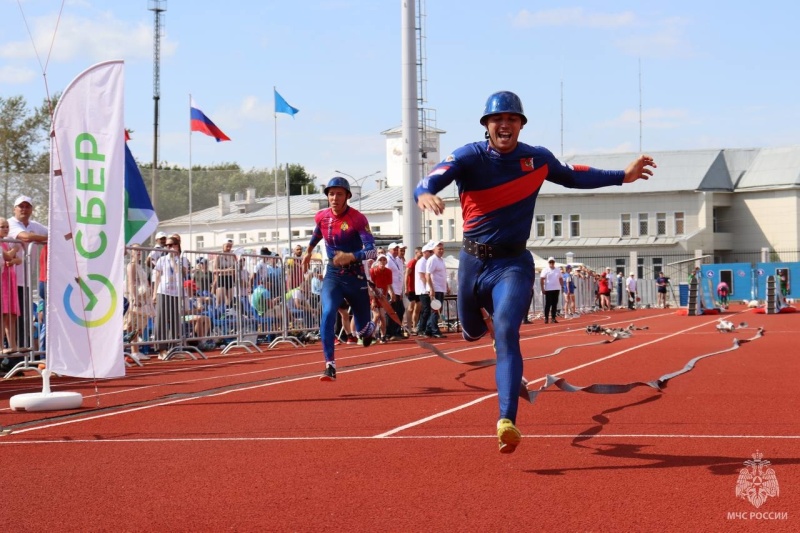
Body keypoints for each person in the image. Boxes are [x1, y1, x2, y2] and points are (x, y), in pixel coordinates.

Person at [414, 90, 655, 453]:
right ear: (487, 126)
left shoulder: (536, 159)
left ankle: (506, 420)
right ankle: (481, 323)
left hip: (512, 263)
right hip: (472, 263)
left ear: (521, 125)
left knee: (508, 333)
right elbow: (431, 179)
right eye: (497, 119)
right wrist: (424, 194)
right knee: (471, 332)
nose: (504, 125)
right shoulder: (468, 156)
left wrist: (623, 175)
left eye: (512, 119)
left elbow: (575, 176)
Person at [301, 176, 376, 381]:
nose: (334, 198)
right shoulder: (321, 216)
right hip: (333, 275)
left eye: (339, 194)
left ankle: (368, 331)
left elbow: (372, 252)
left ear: (347, 197)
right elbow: (318, 232)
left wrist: (351, 256)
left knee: (362, 327)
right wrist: (308, 251)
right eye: (331, 194)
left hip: (355, 276)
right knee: (327, 312)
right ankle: (329, 366)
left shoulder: (358, 219)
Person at [8, 195, 47, 352]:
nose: (24, 209)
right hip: (8, 282)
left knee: (23, 320)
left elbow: (55, 232)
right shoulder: (10, 224)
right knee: (10, 320)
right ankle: (7, 357)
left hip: (24, 282)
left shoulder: (34, 225)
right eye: (21, 206)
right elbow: (26, 237)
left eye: (27, 206)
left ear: (32, 209)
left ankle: (18, 358)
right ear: (14, 209)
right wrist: (46, 239)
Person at [0, 218, 24, 355]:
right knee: (3, 314)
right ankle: (1, 347)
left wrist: (13, 258)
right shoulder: (6, 244)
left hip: (10, 280)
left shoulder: (6, 242)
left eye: (7, 226)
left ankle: (13, 345)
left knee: (12, 314)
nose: (5, 229)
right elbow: (8, 257)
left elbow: (18, 260)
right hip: (2, 281)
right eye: (2, 226)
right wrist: (16, 248)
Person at [424, 240, 447, 338]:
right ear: (434, 250)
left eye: (442, 249)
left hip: (440, 288)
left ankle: (428, 329)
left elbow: (443, 274)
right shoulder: (432, 259)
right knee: (435, 310)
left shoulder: (441, 260)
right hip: (435, 288)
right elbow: (427, 275)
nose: (441, 251)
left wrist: (446, 286)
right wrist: (431, 289)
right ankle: (434, 331)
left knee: (438, 309)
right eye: (439, 249)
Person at [384, 243, 405, 340]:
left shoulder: (398, 260)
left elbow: (399, 276)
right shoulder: (387, 260)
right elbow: (387, 276)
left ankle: (397, 331)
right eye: (394, 249)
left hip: (398, 289)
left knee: (400, 310)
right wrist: (390, 291)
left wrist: (400, 292)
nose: (396, 251)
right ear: (389, 250)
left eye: (397, 249)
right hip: (391, 290)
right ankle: (389, 333)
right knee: (391, 312)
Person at [211, 240, 237, 308]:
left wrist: (234, 269)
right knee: (220, 301)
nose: (229, 248)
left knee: (230, 301)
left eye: (230, 247)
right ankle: (218, 313)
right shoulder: (219, 256)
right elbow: (214, 270)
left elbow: (235, 269)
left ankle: (228, 314)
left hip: (230, 278)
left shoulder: (233, 256)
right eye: (227, 246)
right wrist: (226, 270)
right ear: (223, 246)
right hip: (221, 279)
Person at [404, 246, 423, 335]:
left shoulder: (420, 262)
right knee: (411, 307)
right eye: (421, 253)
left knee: (418, 307)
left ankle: (415, 326)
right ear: (416, 253)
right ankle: (409, 326)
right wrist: (406, 287)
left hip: (417, 288)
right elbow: (406, 275)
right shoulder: (412, 262)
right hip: (411, 288)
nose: (422, 254)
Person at [540, 257, 563, 324]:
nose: (551, 263)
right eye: (550, 262)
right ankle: (546, 318)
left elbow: (560, 278)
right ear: (548, 263)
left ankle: (553, 318)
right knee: (548, 304)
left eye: (552, 262)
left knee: (554, 304)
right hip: (548, 289)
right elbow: (542, 279)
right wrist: (542, 288)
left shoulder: (557, 270)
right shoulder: (545, 270)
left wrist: (562, 286)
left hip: (556, 288)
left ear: (554, 262)